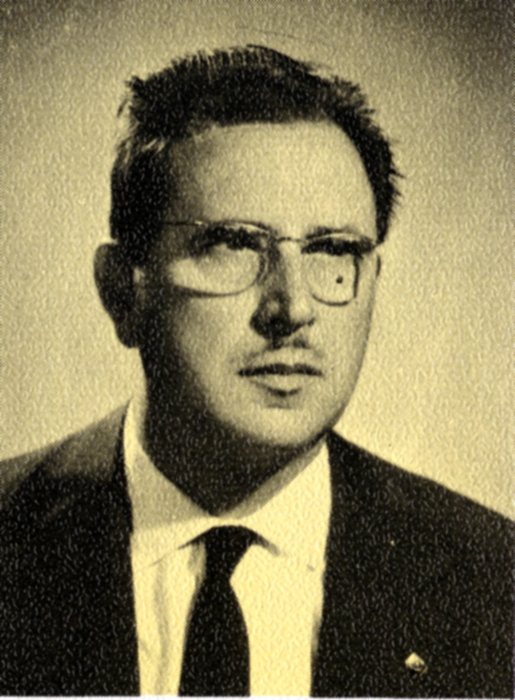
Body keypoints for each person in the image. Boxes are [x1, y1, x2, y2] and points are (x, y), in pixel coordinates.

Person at [0, 45, 513, 697]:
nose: (292, 308)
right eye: (232, 244)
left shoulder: (493, 581)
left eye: (333, 251)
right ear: (122, 291)